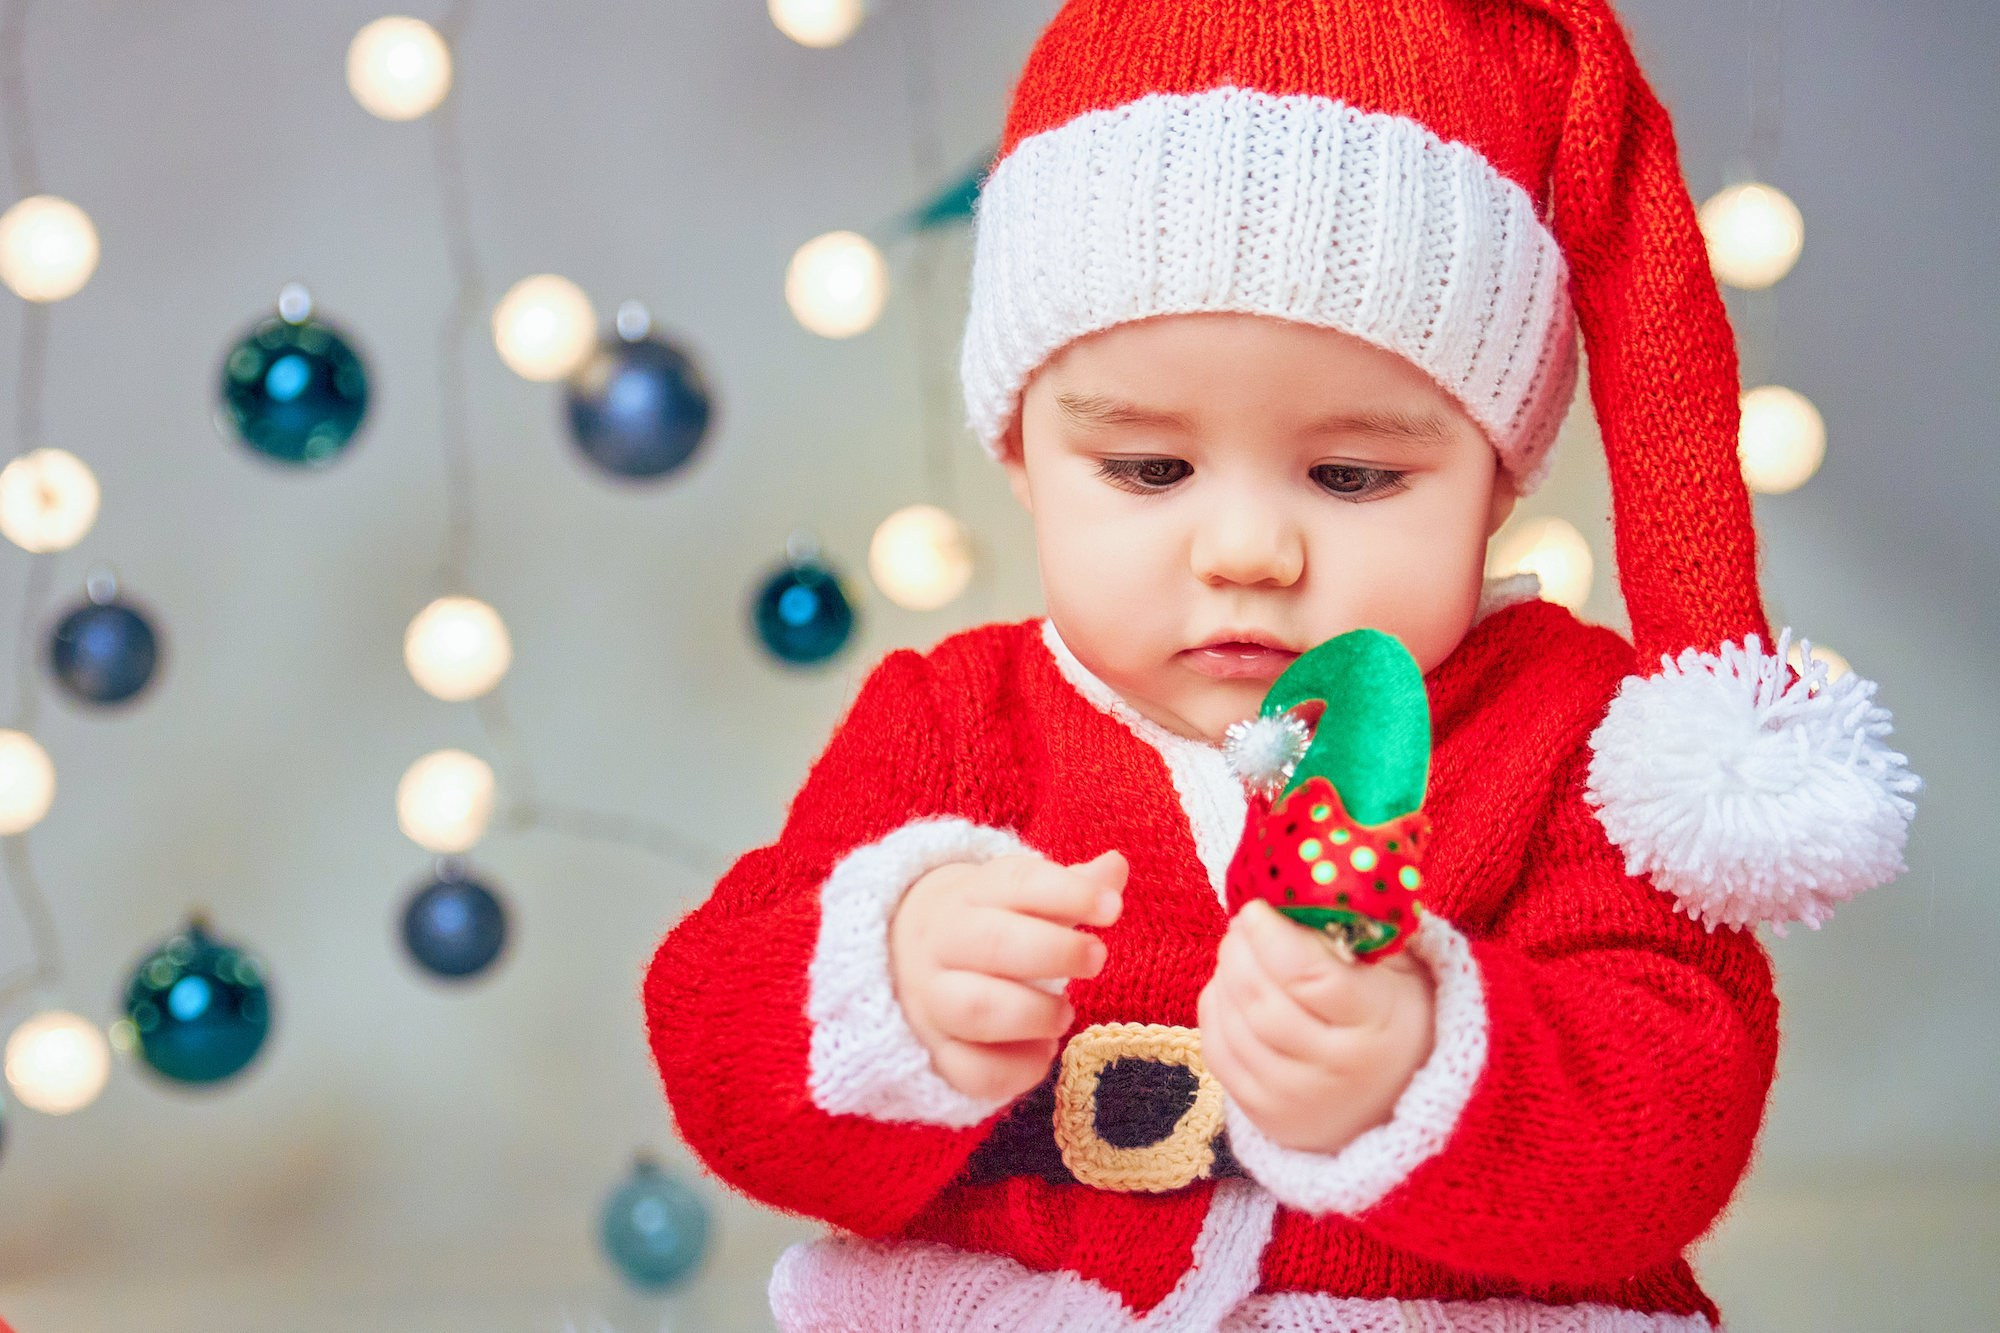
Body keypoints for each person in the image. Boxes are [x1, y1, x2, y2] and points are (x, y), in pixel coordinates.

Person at [644, 1, 1920, 1328]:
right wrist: (886, 989)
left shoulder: (1572, 731)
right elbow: (717, 1038)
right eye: (1150, 468)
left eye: (1353, 475)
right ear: (1021, 453)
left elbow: (1677, 1109)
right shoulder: (954, 719)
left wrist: (1431, 1058)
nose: (1248, 550)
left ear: (1499, 479)